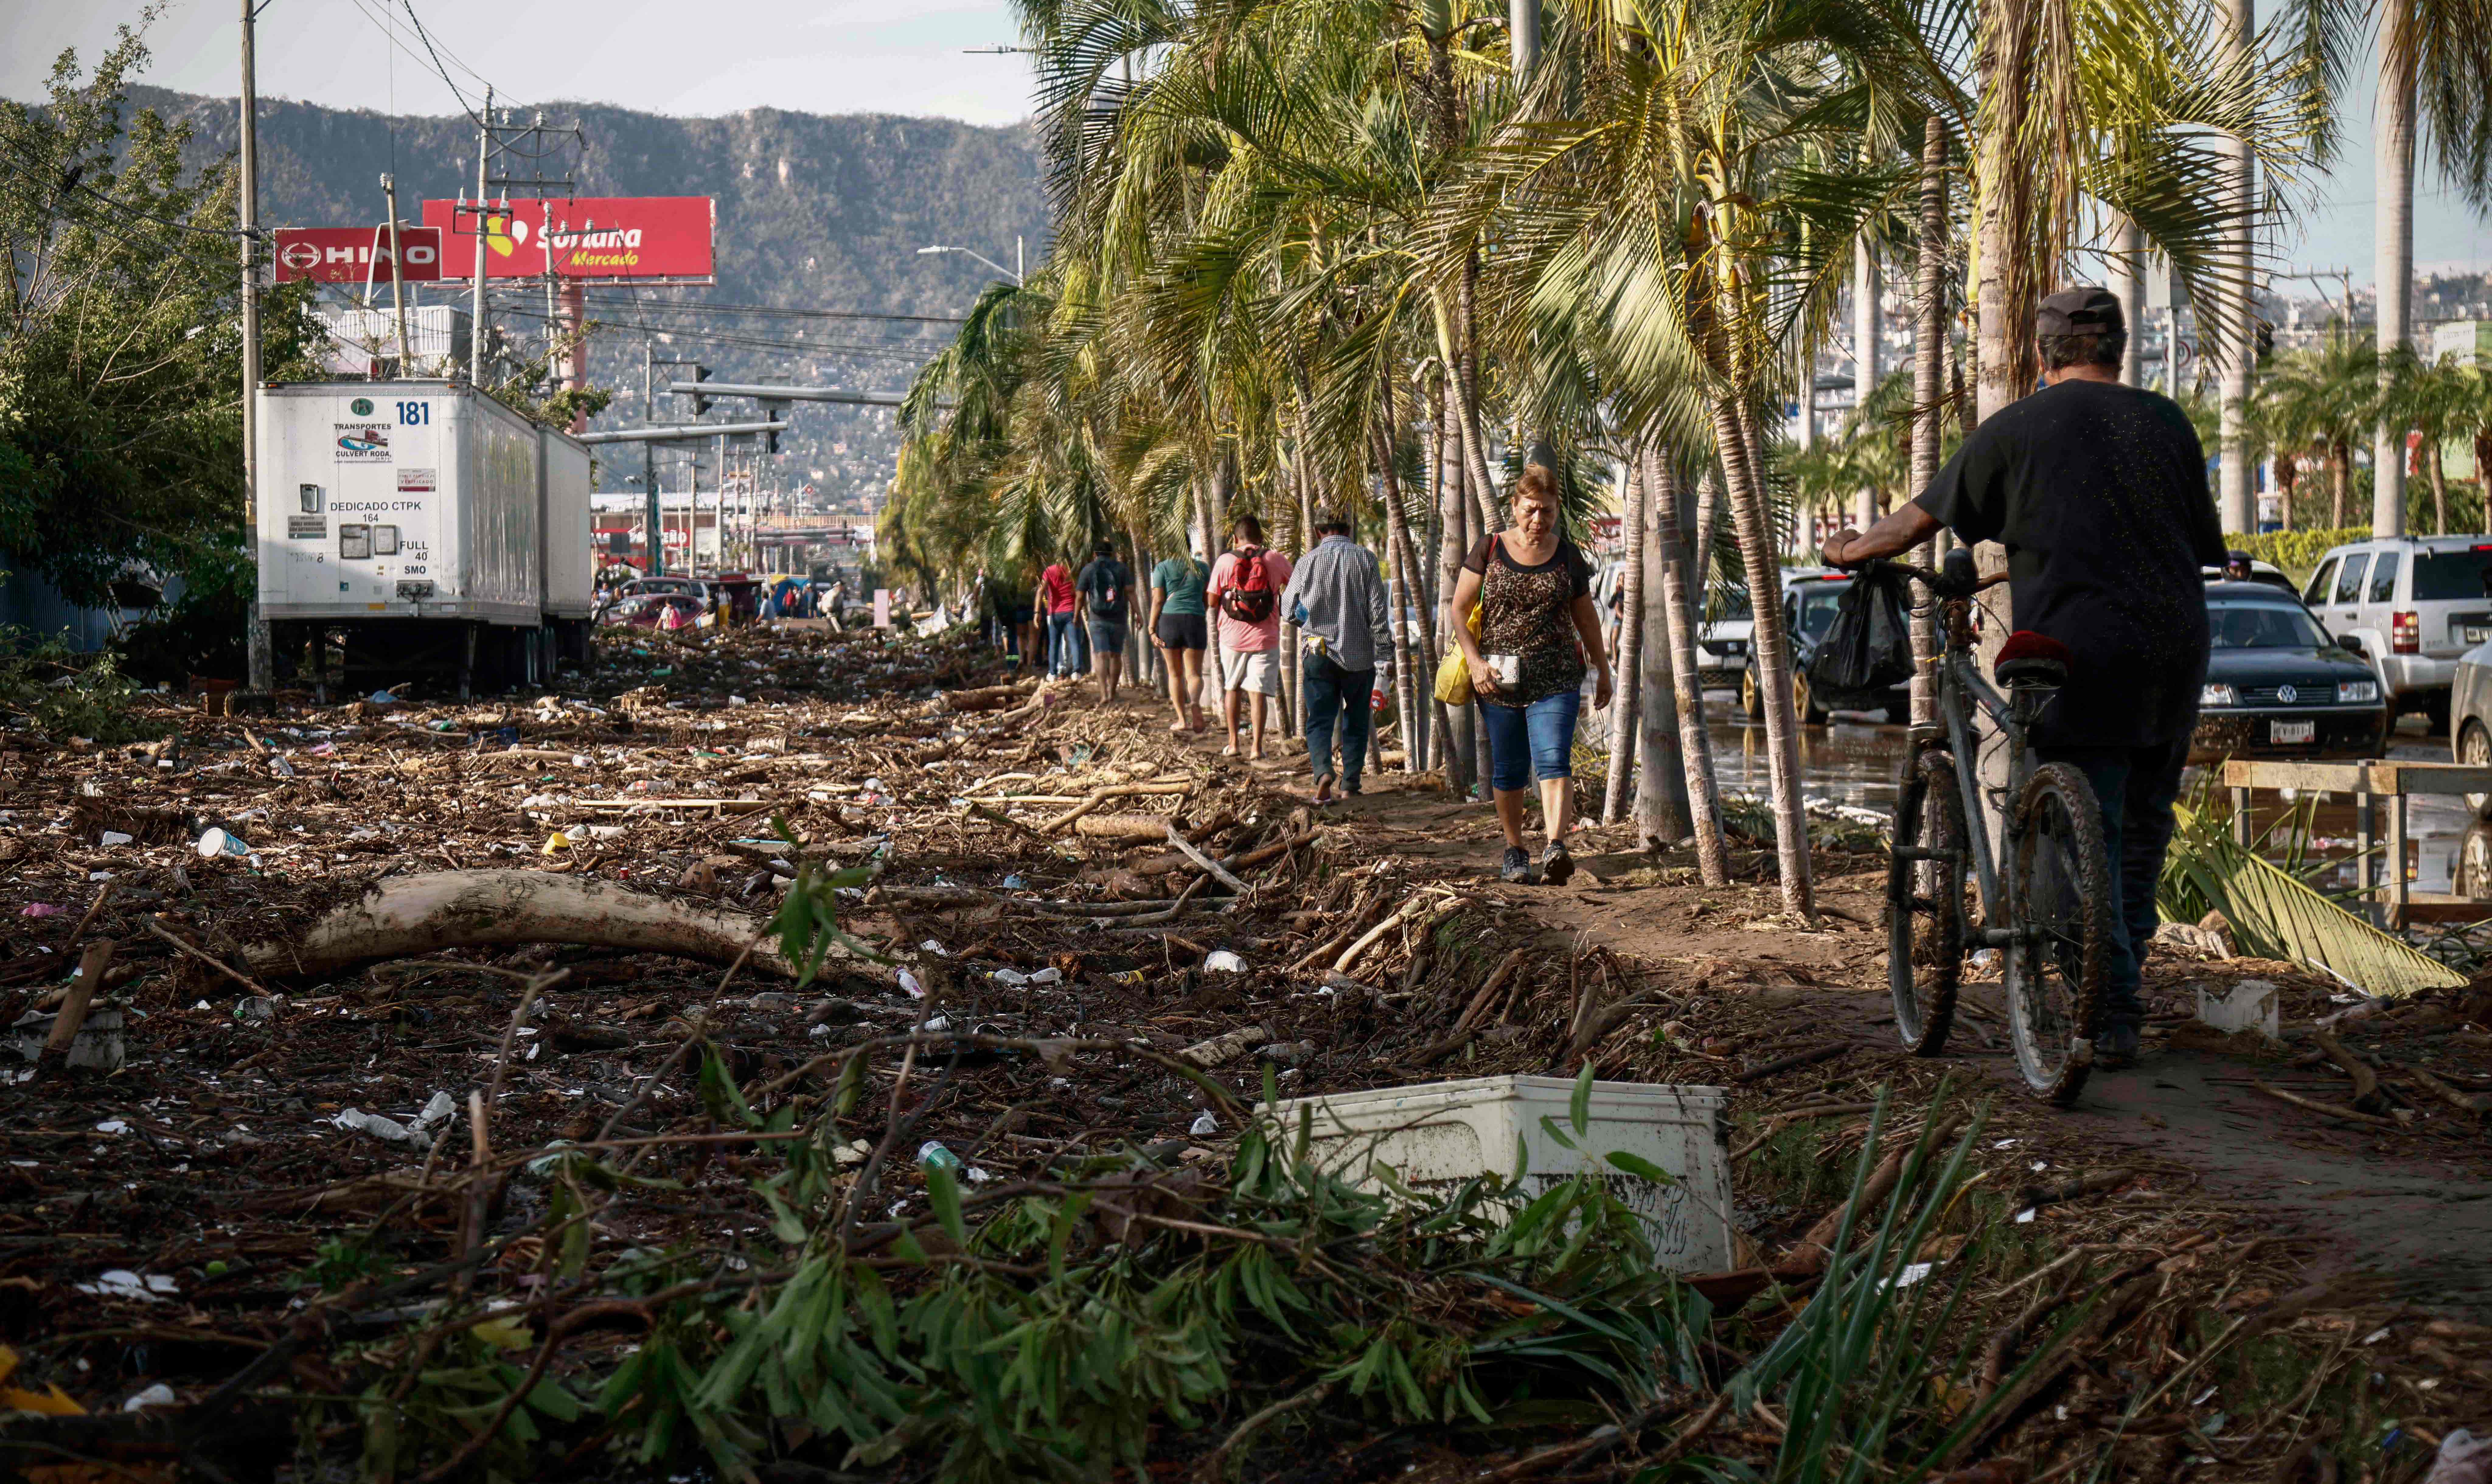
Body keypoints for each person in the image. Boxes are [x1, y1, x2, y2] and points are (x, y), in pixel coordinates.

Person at [1819, 285, 2228, 1068]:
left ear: (2043, 356)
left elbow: (1914, 524)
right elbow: (2203, 545)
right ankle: (2120, 994)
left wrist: (1845, 553)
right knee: (2141, 828)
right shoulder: (2167, 423)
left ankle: (2102, 1009)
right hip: (2177, 649)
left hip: (2077, 654)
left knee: (2093, 833)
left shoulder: (2015, 427)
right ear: (2119, 349)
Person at [1447, 465, 1613, 884]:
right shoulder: (1491, 548)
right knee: (1509, 769)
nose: (1539, 520)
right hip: (1497, 680)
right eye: (1531, 510)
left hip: (1555, 678)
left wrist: (1604, 669)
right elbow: (1459, 610)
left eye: (1548, 512)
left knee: (1554, 759)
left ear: (1557, 511)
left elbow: (1587, 619)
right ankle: (1515, 850)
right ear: (1515, 506)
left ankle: (1556, 847)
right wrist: (1475, 661)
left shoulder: (1567, 556)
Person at [1281, 514, 1393, 803]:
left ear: (1319, 531)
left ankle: (1323, 774)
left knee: (1319, 719)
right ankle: (1351, 784)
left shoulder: (1308, 561)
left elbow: (1288, 609)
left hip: (1318, 653)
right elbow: (1379, 614)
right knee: (1356, 720)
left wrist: (1309, 621)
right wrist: (1384, 654)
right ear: (1349, 528)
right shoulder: (1365, 559)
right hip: (1359, 657)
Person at [1205, 515, 1293, 760]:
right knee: (1258, 692)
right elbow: (1296, 585)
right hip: (1266, 637)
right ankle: (1257, 748)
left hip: (1232, 638)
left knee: (1232, 687)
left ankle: (1234, 744)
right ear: (1261, 538)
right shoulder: (1274, 559)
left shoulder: (1225, 561)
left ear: (1236, 539)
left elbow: (1212, 601)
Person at [1149, 545, 1212, 733]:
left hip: (1170, 621)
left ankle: (1182, 720)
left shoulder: (1162, 567)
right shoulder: (1203, 568)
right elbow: (1206, 597)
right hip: (1195, 620)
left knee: (1175, 674)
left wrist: (1152, 628)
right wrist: (1198, 613)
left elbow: (1159, 600)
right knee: (1194, 674)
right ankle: (1194, 703)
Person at [1076, 540, 1133, 703]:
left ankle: (1103, 694)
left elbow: (1080, 596)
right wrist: (1138, 613)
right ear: (1112, 554)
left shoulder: (1088, 569)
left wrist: (1075, 617)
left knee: (1101, 655)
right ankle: (1113, 692)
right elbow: (1130, 592)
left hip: (1097, 618)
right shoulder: (1121, 568)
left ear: (1095, 554)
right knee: (1116, 655)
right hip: (1118, 617)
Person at [1036, 556, 1080, 678]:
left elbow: (1040, 591)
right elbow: (1077, 592)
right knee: (1074, 642)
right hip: (1071, 611)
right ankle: (1076, 671)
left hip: (1054, 613)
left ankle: (1053, 673)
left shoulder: (1049, 571)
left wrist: (1037, 613)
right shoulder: (1072, 571)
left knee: (1054, 644)